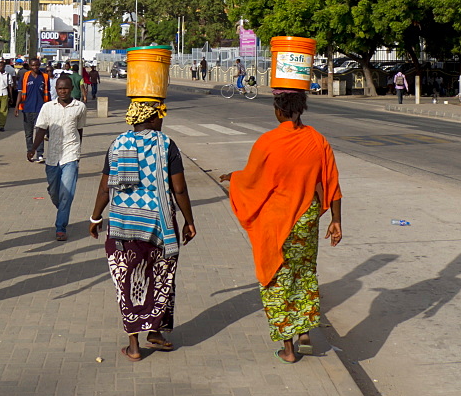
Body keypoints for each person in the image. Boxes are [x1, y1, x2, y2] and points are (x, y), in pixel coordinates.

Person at [220, 88, 342, 363]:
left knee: (277, 277)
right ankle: (305, 333)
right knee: (305, 273)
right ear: (301, 110)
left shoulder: (268, 141)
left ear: (278, 111)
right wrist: (336, 220)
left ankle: (288, 349)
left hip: (277, 222)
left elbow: (252, 179)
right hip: (306, 218)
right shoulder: (317, 140)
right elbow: (332, 182)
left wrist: (233, 178)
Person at [89, 98, 196, 361]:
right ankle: (155, 332)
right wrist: (189, 221)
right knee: (160, 276)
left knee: (128, 280)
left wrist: (95, 217)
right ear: (150, 118)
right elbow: (179, 188)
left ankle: (134, 344)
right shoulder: (166, 145)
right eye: (159, 116)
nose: (162, 121)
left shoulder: (117, 144)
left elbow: (105, 187)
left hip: (123, 225)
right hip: (159, 224)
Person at [28, 75, 87, 241]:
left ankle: (60, 227)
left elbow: (80, 130)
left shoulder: (80, 107)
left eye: (66, 88)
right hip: (53, 156)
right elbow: (41, 130)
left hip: (71, 154)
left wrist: (78, 151)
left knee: (67, 193)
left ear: (71, 89)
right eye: (60, 88)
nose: (63, 91)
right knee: (56, 193)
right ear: (56, 89)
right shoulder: (48, 107)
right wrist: (33, 149)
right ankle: (61, 205)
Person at [17, 57, 50, 162]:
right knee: (28, 133)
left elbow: (48, 93)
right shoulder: (25, 77)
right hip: (27, 109)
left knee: (39, 132)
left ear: (39, 65)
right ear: (29, 66)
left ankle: (40, 154)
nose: (35, 67)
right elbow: (20, 92)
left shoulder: (44, 77)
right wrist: (16, 107)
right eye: (33, 65)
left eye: (36, 65)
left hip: (41, 109)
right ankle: (30, 152)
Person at [0, 59, 15, 131]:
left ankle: (2, 125)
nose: (0, 67)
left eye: (1, 66)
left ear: (4, 67)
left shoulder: (8, 75)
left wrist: (11, 97)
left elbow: (10, 87)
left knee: (4, 110)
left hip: (5, 94)